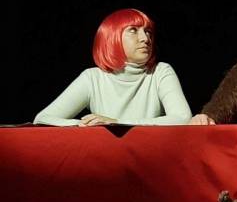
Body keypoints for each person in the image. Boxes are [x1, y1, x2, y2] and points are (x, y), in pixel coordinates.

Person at [33, 8, 192, 126]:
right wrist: (84, 125)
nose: (145, 38)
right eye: (133, 30)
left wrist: (117, 123)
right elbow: (42, 119)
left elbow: (183, 118)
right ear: (112, 37)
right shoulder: (93, 78)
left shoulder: (161, 71)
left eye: (148, 32)